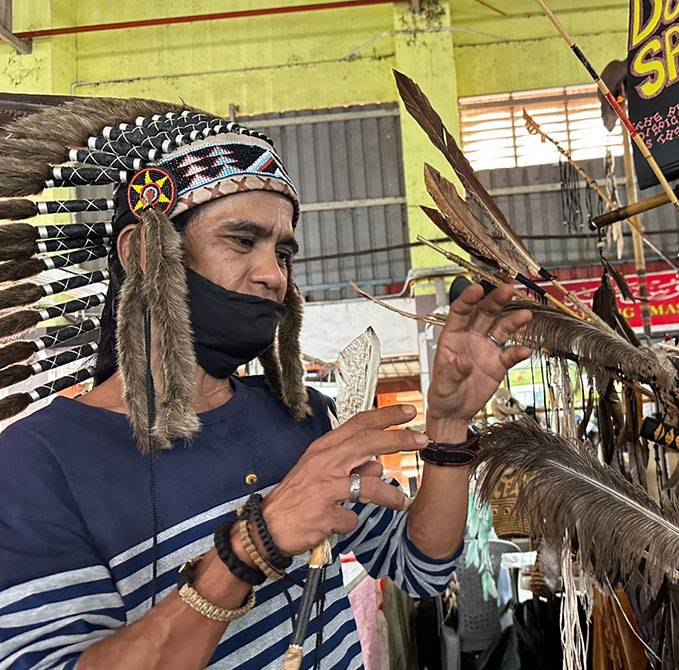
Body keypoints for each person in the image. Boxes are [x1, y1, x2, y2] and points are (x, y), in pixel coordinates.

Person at [0, 98, 531, 669]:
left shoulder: (301, 419)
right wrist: (256, 543)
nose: (273, 274)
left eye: (282, 251)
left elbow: (421, 568)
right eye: (241, 240)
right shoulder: (34, 466)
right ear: (144, 254)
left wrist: (450, 428)